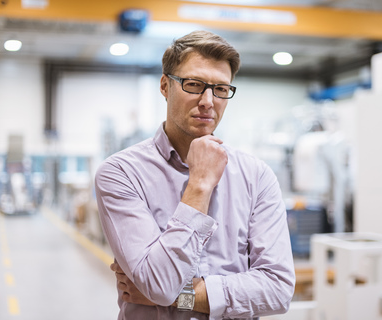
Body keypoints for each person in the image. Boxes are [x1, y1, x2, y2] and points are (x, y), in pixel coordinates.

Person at [95, 30, 295, 320]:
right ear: (165, 86)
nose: (208, 101)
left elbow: (277, 290)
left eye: (221, 89)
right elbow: (159, 285)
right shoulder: (122, 173)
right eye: (194, 85)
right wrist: (199, 185)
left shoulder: (256, 176)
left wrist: (179, 297)